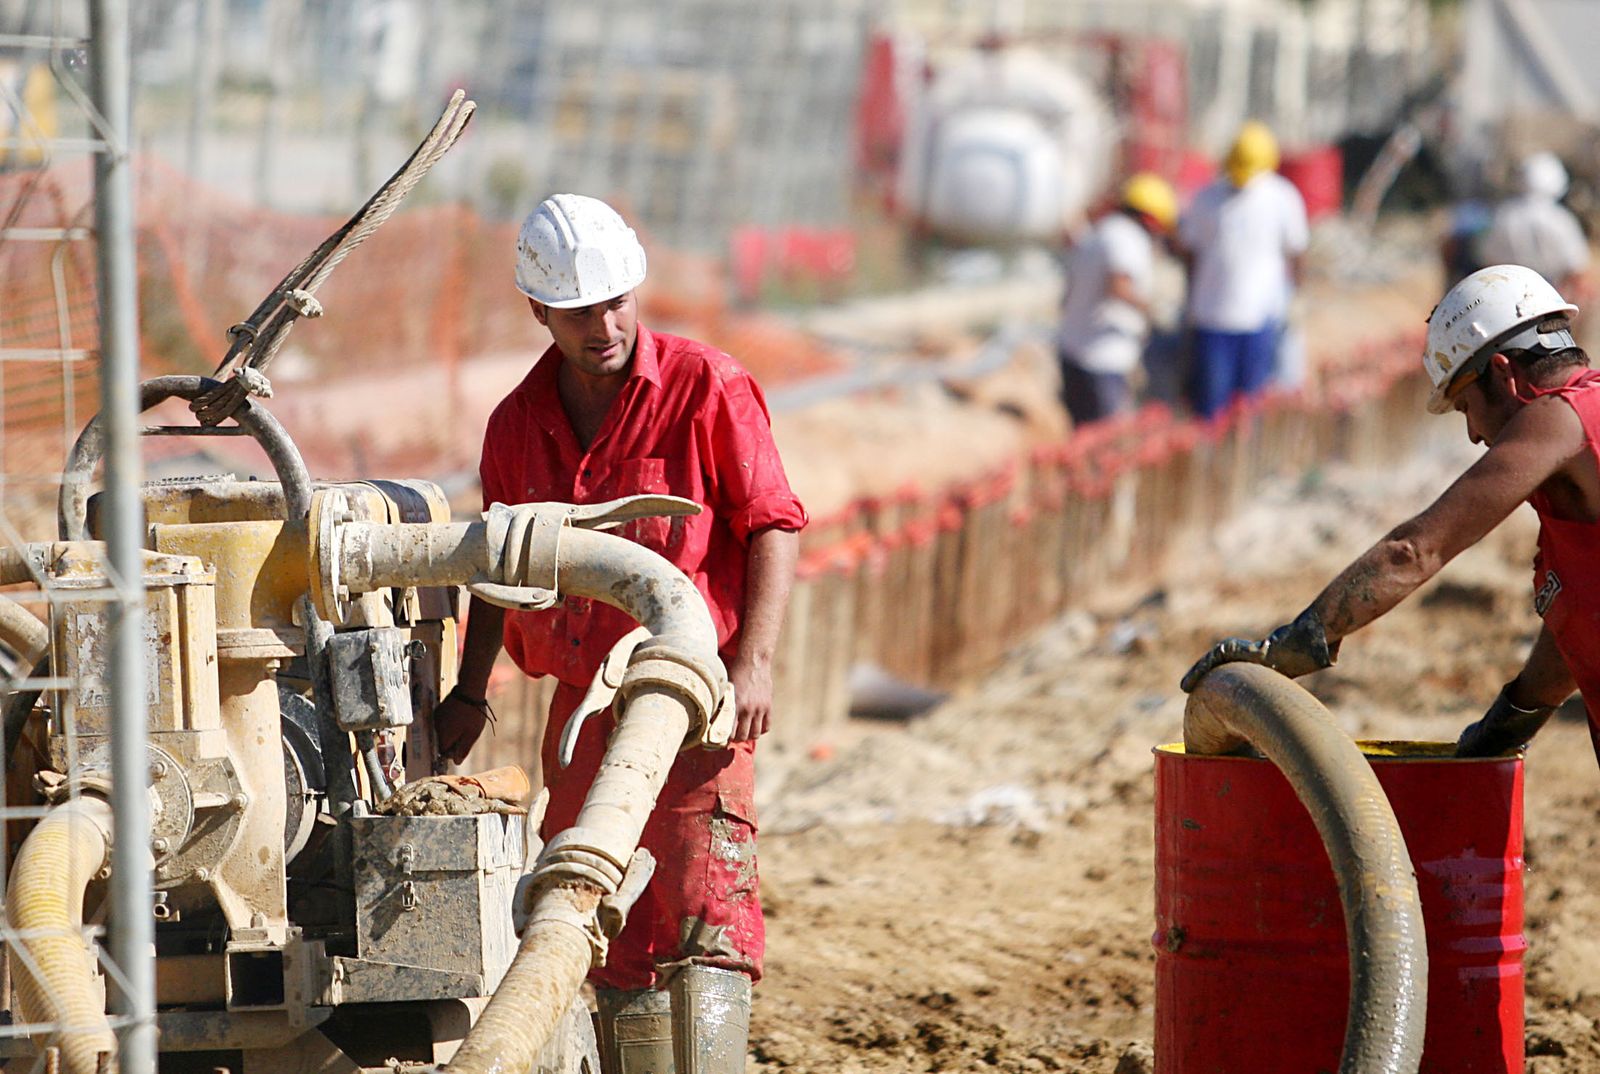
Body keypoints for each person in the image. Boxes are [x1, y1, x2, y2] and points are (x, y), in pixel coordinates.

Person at [429, 193, 807, 1073]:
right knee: (586, 908)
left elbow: (773, 522)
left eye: (614, 303)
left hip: (690, 707)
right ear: (540, 313)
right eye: (577, 311)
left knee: (698, 917)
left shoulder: (705, 385)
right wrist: (469, 691)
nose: (602, 326)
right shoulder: (518, 424)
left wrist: (753, 661)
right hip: (581, 714)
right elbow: (498, 565)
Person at [1181, 264, 1600, 763]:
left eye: (1466, 406)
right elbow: (1579, 611)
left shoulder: (1558, 417)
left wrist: (1296, 642)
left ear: (1504, 374)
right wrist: (1510, 719)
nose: (1473, 435)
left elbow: (1414, 551)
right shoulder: (1578, 441)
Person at [1178, 121, 1309, 419]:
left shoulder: (1281, 198)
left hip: (1260, 317)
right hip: (1212, 317)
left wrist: (1295, 297)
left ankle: (1244, 459)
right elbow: (1190, 252)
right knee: (1212, 404)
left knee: (1251, 403)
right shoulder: (1206, 199)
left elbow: (1297, 252)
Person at [1055, 172, 1178, 426]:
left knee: (1082, 433)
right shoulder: (1126, 238)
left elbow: (1068, 294)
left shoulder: (1101, 231)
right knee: (1104, 439)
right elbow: (1119, 285)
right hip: (1101, 359)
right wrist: (1155, 310)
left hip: (1074, 351)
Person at [1479, 151, 1591, 301]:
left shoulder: (1505, 215)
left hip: (1509, 297)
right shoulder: (1560, 219)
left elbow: (1488, 261)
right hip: (1551, 297)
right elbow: (1577, 268)